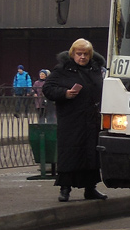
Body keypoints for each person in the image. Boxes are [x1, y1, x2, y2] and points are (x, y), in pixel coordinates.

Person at [42, 39, 107, 202]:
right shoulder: (63, 69)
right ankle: (65, 189)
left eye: (85, 54)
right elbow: (48, 89)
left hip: (91, 119)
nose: (82, 57)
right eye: (79, 54)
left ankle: (90, 188)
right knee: (70, 153)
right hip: (71, 120)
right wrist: (64, 93)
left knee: (91, 153)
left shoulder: (95, 69)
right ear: (72, 54)